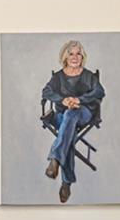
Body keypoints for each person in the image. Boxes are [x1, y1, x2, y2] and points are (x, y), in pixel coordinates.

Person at [42, 39, 105, 203]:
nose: (75, 57)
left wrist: (79, 100)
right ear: (65, 56)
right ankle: (66, 182)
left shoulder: (88, 76)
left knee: (70, 116)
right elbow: (46, 92)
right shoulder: (58, 77)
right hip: (62, 116)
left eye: (78, 54)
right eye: (71, 54)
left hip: (83, 113)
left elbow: (99, 92)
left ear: (82, 57)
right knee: (68, 132)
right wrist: (63, 100)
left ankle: (55, 159)